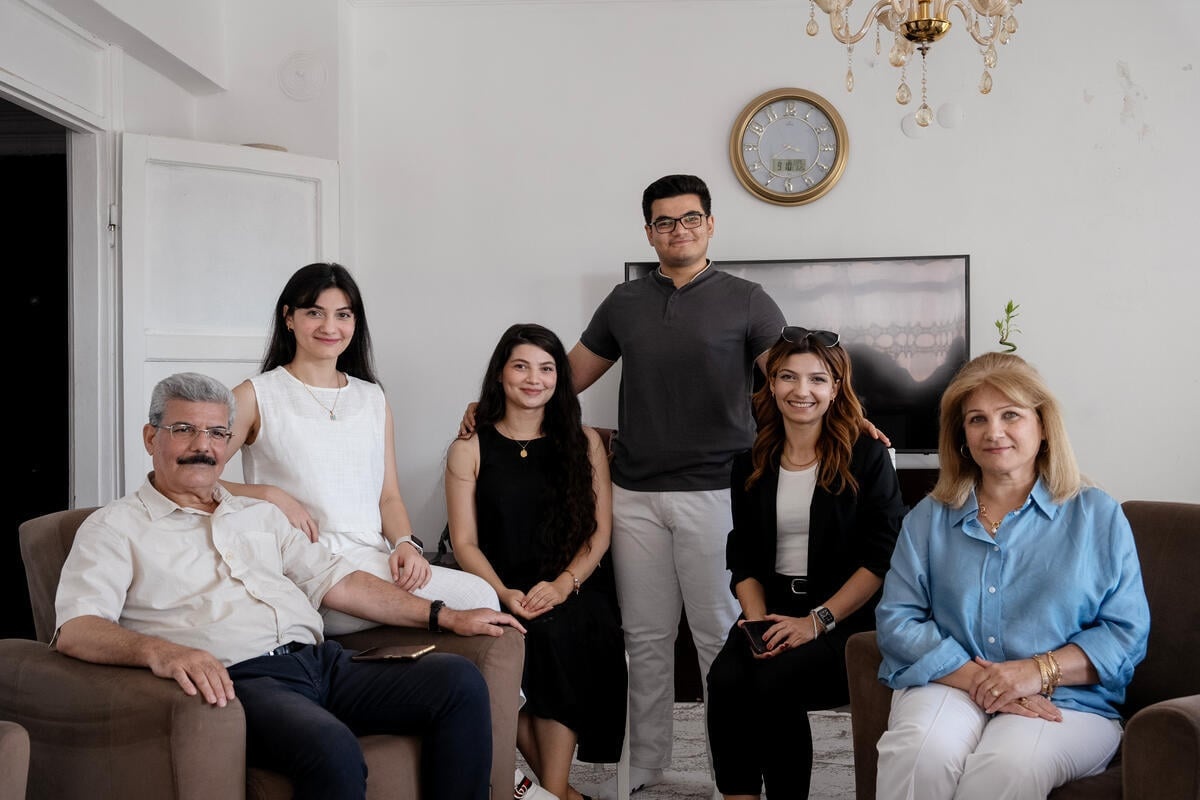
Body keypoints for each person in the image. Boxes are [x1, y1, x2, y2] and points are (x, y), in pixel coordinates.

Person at [53, 372, 525, 800]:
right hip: (241, 685)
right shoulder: (114, 527)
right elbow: (76, 627)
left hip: (322, 664)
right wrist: (163, 652)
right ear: (151, 437)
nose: (204, 445)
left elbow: (339, 582)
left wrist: (445, 615)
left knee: (458, 681)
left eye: (217, 433)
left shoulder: (258, 516)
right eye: (184, 430)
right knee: (331, 746)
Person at [874, 352, 1151, 800]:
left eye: (1010, 415)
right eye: (977, 419)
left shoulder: (1097, 515)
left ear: (1042, 425)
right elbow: (898, 620)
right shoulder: (928, 518)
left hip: (1067, 702)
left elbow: (1125, 634)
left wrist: (1034, 673)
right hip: (952, 682)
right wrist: (982, 681)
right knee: (919, 752)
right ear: (962, 435)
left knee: (1005, 767)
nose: (994, 432)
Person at [224, 262, 499, 636]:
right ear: (288, 318)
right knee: (471, 600)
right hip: (306, 567)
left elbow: (388, 497)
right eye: (314, 313)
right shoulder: (255, 395)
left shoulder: (371, 397)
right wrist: (268, 495)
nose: (329, 327)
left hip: (374, 560)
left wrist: (405, 543)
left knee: (480, 596)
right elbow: (192, 482)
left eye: (343, 315)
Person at [705, 327, 905, 799]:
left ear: (836, 389)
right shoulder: (750, 462)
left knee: (774, 681)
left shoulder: (869, 456)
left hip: (846, 620)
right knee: (726, 678)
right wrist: (756, 624)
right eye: (788, 377)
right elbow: (745, 555)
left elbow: (880, 559)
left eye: (817, 379)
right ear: (771, 385)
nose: (802, 391)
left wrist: (815, 622)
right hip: (771, 607)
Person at [447, 323, 626, 800]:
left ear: (559, 378)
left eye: (546, 368)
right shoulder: (469, 447)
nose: (534, 378)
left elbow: (599, 533)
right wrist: (503, 593)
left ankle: (549, 790)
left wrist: (565, 584)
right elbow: (464, 542)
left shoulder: (585, 442)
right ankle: (562, 794)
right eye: (521, 366)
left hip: (575, 583)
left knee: (559, 632)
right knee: (506, 643)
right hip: (497, 583)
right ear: (500, 374)